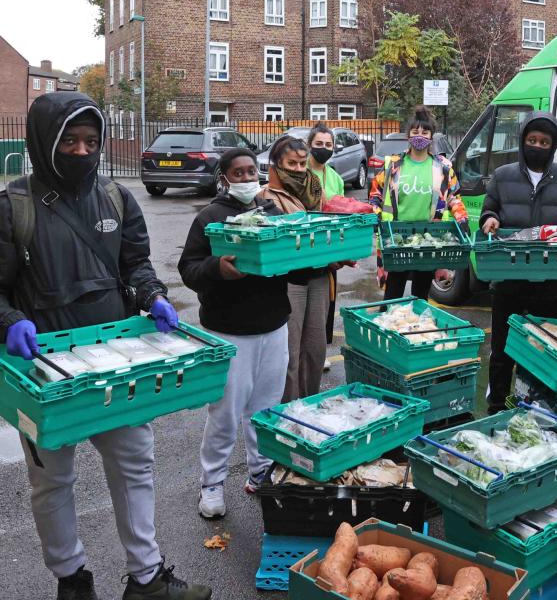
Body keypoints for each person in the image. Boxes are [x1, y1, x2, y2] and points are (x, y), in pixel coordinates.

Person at [0, 92, 210, 600]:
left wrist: (153, 294)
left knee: (136, 464)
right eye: (68, 141)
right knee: (52, 482)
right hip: (46, 370)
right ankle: (71, 578)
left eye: (91, 142)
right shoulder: (14, 207)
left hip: (117, 364)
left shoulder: (117, 198)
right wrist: (8, 320)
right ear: (43, 142)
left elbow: (134, 263)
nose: (81, 151)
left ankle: (147, 578)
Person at [178, 148, 290, 519]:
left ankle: (260, 472)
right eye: (238, 173)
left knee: (267, 409)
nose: (246, 179)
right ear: (223, 178)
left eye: (251, 171)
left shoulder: (272, 214)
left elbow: (291, 263)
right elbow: (189, 268)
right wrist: (217, 269)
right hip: (229, 332)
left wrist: (325, 263)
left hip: (273, 326)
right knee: (225, 414)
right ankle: (211, 484)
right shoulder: (210, 217)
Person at [479, 111, 557, 412]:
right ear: (522, 141)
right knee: (502, 348)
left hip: (551, 279)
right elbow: (489, 210)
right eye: (532, 140)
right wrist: (489, 219)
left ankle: (537, 405)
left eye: (544, 141)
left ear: (553, 145)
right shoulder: (503, 176)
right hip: (509, 276)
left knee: (545, 347)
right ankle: (498, 405)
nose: (537, 146)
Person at [257, 134, 335, 400]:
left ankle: (310, 402)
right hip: (290, 283)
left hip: (320, 277)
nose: (299, 170)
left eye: (303, 164)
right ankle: (290, 410)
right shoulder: (266, 198)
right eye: (292, 164)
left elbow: (326, 230)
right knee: (290, 352)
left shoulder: (315, 189)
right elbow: (282, 244)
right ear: (275, 166)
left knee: (315, 350)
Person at [369, 107, 469, 300]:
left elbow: (454, 197)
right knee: (392, 295)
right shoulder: (393, 164)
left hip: (428, 240)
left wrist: (461, 218)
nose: (419, 136)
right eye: (415, 132)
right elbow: (375, 194)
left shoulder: (443, 167)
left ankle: (417, 328)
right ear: (408, 135)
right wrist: (376, 215)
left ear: (431, 136)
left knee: (420, 297)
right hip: (396, 239)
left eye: (425, 132)